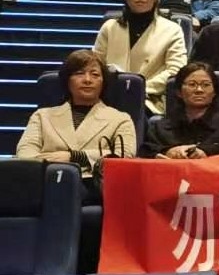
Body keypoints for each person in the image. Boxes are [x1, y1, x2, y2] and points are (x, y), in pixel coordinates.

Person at [16, 50, 137, 191]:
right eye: (79, 73)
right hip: (46, 182)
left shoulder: (121, 119)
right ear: (67, 80)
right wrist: (54, 166)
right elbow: (25, 154)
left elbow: (124, 157)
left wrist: (75, 156)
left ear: (103, 82)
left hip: (93, 186)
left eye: (95, 74)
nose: (87, 80)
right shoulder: (42, 116)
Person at [92, 0, 188, 114]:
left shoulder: (172, 29)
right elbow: (95, 65)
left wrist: (139, 88)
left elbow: (176, 71)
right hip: (109, 97)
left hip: (149, 99)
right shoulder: (110, 27)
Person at [143, 61, 219, 160]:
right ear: (179, 92)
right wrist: (168, 151)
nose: (199, 90)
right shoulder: (160, 128)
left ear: (214, 92)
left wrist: (206, 152)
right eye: (192, 84)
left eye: (206, 85)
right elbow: (146, 150)